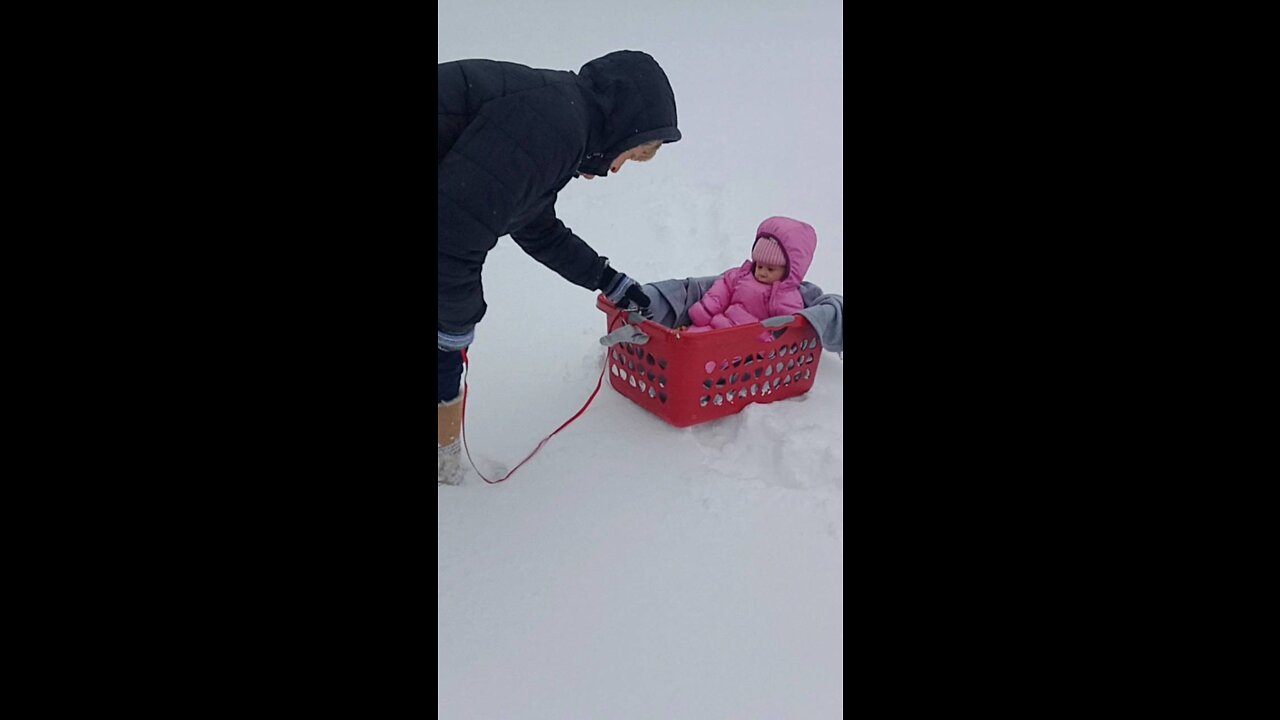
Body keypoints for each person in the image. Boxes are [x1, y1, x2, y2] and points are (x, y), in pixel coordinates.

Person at [438, 50, 681, 484]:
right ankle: (443, 467)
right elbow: (454, 232)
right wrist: (454, 326)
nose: (616, 169)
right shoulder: (551, 127)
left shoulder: (558, 114)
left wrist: (610, 280)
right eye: (631, 155)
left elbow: (533, 224)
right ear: (621, 127)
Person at [684, 216, 817, 335]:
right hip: (719, 325)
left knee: (711, 358)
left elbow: (787, 329)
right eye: (759, 266)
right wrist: (706, 309)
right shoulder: (742, 275)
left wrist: (767, 341)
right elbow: (722, 289)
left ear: (788, 271)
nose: (762, 273)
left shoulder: (786, 297)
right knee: (691, 338)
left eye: (770, 269)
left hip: (748, 343)